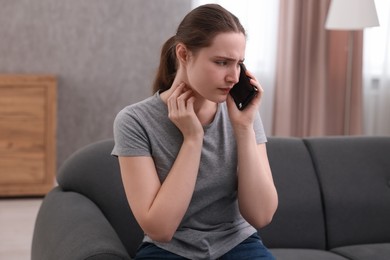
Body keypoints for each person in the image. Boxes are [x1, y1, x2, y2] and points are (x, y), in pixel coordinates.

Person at [112, 4, 278, 260]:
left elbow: (262, 215)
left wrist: (244, 129)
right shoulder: (135, 121)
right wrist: (192, 139)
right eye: (222, 62)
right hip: (167, 250)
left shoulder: (242, 115)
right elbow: (160, 229)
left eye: (239, 64)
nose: (233, 77)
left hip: (238, 243)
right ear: (184, 54)